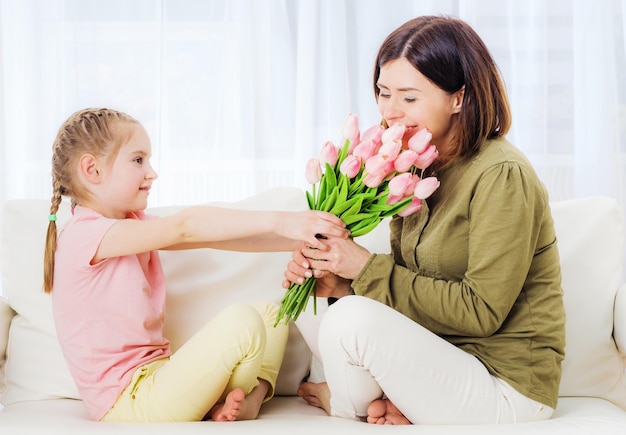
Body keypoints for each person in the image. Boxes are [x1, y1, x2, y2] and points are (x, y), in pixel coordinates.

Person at [283, 15, 565, 425]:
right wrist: (342, 283)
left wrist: (364, 270)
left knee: (350, 319)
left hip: (504, 386)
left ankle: (342, 401)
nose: (391, 112)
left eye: (409, 98)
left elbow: (480, 312)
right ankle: (392, 400)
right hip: (442, 362)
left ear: (459, 98)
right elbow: (416, 289)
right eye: (383, 93)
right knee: (308, 289)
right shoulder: (415, 167)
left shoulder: (502, 174)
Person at [42, 107, 349, 423]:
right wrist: (283, 219)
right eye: (138, 160)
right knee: (242, 321)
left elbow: (216, 237)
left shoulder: (131, 226)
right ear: (92, 170)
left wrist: (302, 240)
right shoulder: (84, 234)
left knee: (271, 313)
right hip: (129, 404)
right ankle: (234, 394)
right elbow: (187, 226)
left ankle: (250, 398)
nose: (151, 172)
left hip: (160, 378)